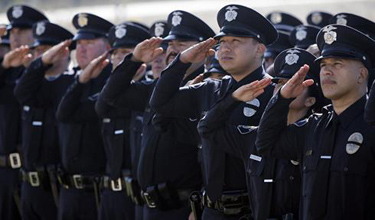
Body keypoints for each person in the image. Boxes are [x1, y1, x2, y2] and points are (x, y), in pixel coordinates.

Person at [149, 4, 278, 219]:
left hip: (253, 210)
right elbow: (160, 104)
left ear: (259, 49)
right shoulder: (210, 89)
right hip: (211, 211)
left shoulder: (273, 93)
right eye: (223, 42)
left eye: (236, 41)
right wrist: (182, 61)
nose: (226, 48)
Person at [98, 10, 215, 220]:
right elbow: (110, 96)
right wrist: (134, 59)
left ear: (204, 50)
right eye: (170, 45)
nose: (173, 51)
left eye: (182, 44)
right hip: (148, 207)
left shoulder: (208, 90)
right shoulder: (155, 89)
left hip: (186, 207)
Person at [255, 24, 375, 219]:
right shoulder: (315, 127)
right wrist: (282, 98)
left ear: (362, 74)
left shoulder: (370, 126)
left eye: (337, 64)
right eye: (323, 65)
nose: (327, 71)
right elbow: (266, 143)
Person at [198, 48, 323, 220]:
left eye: (295, 83)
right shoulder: (253, 137)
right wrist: (233, 99)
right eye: (280, 83)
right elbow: (206, 128)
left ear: (311, 100)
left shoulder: (315, 136)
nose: (285, 88)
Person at [55, 13, 113, 220]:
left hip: (99, 190)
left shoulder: (113, 83)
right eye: (79, 42)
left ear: (108, 47)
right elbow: (23, 92)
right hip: (68, 190)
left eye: (89, 42)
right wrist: (80, 81)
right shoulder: (69, 81)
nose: (81, 48)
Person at [14, 20, 73, 220]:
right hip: (29, 186)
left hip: (56, 186)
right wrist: (41, 64)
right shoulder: (33, 85)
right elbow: (20, 92)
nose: (41, 55)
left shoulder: (70, 83)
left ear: (64, 52)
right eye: (38, 50)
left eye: (46, 50)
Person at [96, 21, 150, 220]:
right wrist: (82, 80)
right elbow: (101, 107)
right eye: (116, 53)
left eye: (127, 53)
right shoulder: (105, 90)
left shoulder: (149, 90)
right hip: (111, 192)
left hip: (137, 194)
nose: (120, 59)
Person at [0, 5, 47, 220]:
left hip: (28, 172)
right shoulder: (5, 73)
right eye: (12, 32)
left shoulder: (41, 75)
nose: (15, 37)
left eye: (22, 32)